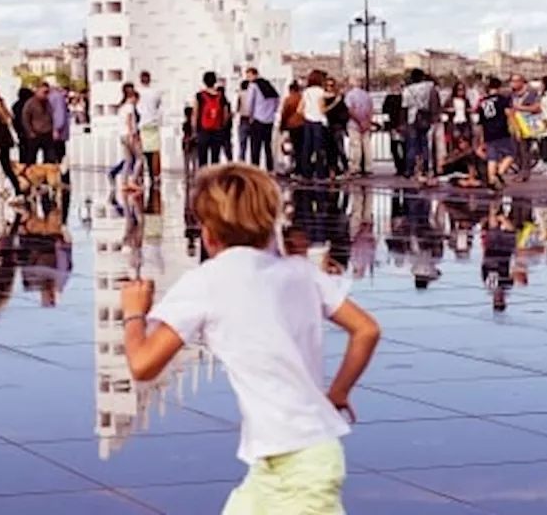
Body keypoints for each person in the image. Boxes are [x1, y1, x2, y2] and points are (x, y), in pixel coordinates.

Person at [118, 164, 380, 513]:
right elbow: (366, 329)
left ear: (209, 233)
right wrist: (338, 392)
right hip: (291, 460)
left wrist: (134, 313)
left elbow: (142, 365)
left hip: (298, 467)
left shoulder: (208, 281)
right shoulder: (301, 272)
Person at [477, 76, 515, 189]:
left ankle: (491, 179)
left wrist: (481, 138)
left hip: (488, 132)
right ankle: (499, 173)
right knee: (511, 154)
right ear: (499, 87)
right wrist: (514, 128)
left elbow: (481, 122)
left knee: (492, 157)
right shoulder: (502, 99)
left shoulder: (483, 102)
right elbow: (508, 113)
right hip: (501, 130)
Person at [244, 68, 280, 173]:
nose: (248, 78)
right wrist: (272, 112)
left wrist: (249, 116)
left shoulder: (253, 86)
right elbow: (277, 100)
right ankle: (270, 167)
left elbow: (249, 103)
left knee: (255, 146)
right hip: (269, 120)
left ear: (254, 75)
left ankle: (254, 169)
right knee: (267, 145)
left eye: (249, 75)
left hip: (258, 119)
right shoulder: (268, 85)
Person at [192, 71, 230, 168]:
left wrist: (194, 130)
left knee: (202, 159)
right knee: (215, 159)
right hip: (217, 130)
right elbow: (226, 115)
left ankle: (203, 180)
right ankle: (214, 180)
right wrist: (222, 126)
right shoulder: (221, 96)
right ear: (215, 81)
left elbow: (195, 114)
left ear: (204, 81)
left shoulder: (199, 96)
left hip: (203, 130)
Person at [136, 71, 164, 184]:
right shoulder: (156, 92)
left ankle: (140, 177)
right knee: (155, 152)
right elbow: (157, 105)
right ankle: (156, 176)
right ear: (150, 79)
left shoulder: (137, 92)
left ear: (140, 79)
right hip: (153, 123)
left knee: (141, 153)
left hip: (141, 124)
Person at [344, 78, 374, 177]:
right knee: (367, 146)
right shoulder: (366, 95)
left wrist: (359, 121)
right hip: (366, 123)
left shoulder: (350, 95)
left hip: (354, 124)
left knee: (355, 146)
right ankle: (368, 167)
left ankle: (355, 167)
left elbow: (350, 110)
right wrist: (367, 122)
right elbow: (370, 109)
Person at [20, 83, 56, 165]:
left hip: (47, 133)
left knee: (50, 158)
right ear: (38, 91)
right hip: (35, 134)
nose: (46, 94)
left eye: (48, 92)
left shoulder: (48, 103)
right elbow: (25, 118)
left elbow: (52, 116)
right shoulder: (30, 103)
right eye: (44, 92)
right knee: (31, 158)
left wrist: (53, 129)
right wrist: (30, 131)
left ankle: (47, 175)